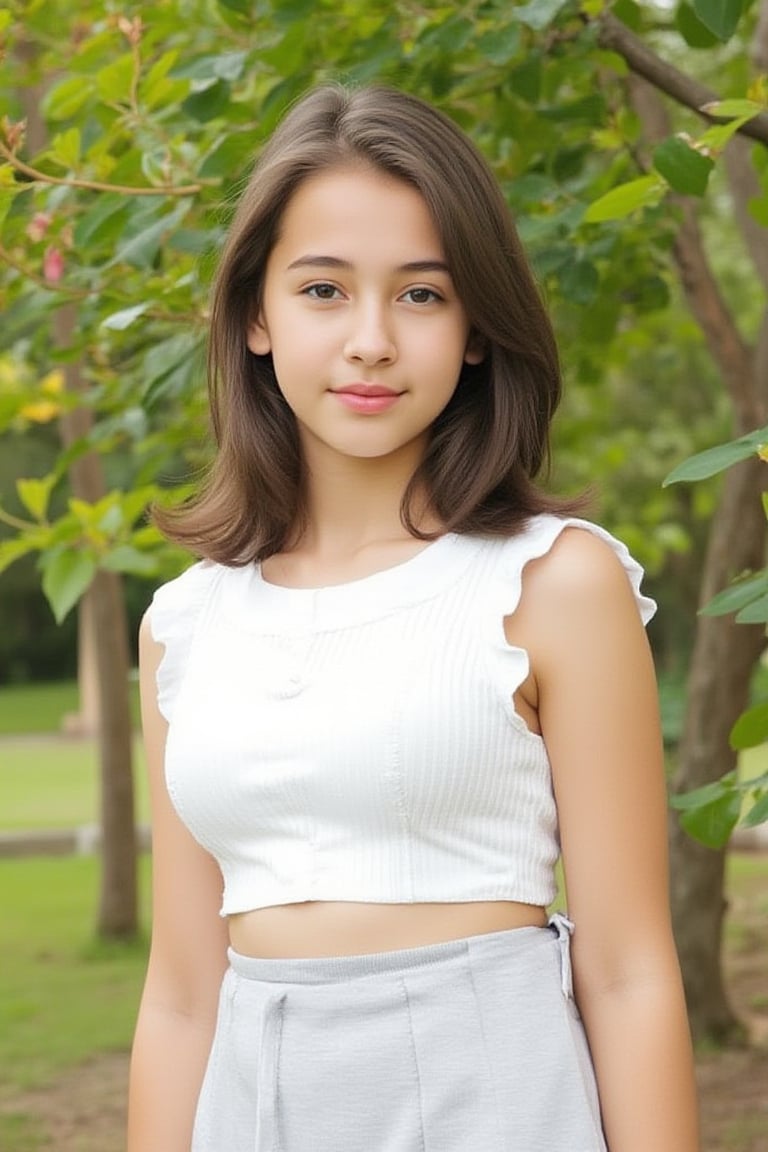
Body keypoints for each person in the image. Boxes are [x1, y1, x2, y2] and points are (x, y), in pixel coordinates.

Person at [127, 84, 700, 1152]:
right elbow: (180, 996)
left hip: (496, 1101)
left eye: (424, 296)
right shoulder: (185, 624)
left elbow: (626, 972)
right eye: (323, 290)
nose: (372, 340)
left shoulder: (556, 586)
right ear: (258, 315)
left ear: (478, 326)